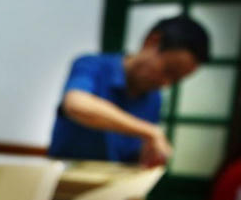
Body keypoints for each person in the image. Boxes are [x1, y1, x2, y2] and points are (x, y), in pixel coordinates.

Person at [48, 15, 209, 166]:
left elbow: (133, 156)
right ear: (152, 42)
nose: (166, 83)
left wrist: (149, 154)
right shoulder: (91, 65)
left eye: (175, 80)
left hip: (115, 181)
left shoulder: (154, 98)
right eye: (168, 70)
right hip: (66, 178)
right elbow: (76, 105)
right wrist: (150, 131)